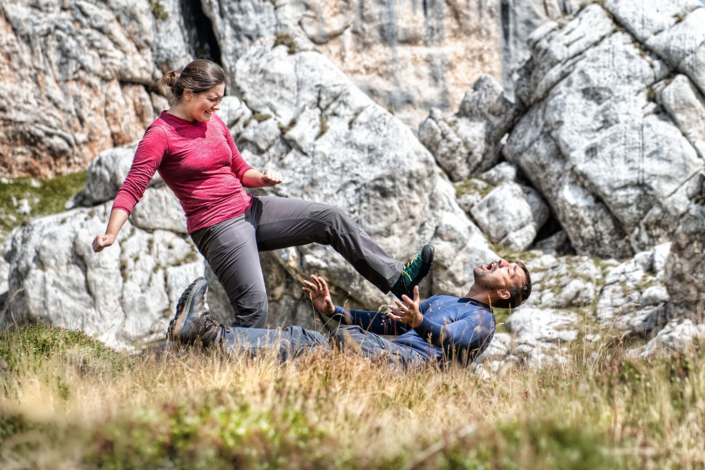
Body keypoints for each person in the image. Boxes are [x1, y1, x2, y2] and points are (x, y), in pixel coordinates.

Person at [91, 59, 434, 328]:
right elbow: (132, 186)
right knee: (254, 309)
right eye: (212, 100)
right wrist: (111, 233)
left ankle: (396, 280)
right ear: (187, 94)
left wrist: (263, 179)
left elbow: (240, 169)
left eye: (220, 100)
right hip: (218, 228)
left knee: (331, 218)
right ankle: (229, 372)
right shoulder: (161, 134)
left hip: (250, 209)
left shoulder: (215, 124)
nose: (217, 108)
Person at [166, 258, 531, 368]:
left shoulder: (483, 321)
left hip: (403, 367)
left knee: (310, 348)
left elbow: (453, 340)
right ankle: (202, 334)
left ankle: (202, 334)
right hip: (382, 350)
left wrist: (421, 322)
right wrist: (333, 309)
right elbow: (388, 322)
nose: (501, 262)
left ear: (502, 293)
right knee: (303, 340)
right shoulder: (448, 299)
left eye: (509, 270)